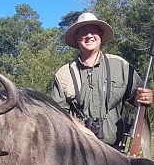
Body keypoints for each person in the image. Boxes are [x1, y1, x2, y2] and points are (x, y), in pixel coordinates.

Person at [51, 12, 153, 150]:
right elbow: (56, 116)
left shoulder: (121, 65)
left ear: (101, 35)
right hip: (79, 152)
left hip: (116, 152)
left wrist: (144, 98)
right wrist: (80, 128)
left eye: (94, 30)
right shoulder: (64, 74)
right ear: (76, 38)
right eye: (83, 32)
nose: (89, 35)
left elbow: (137, 97)